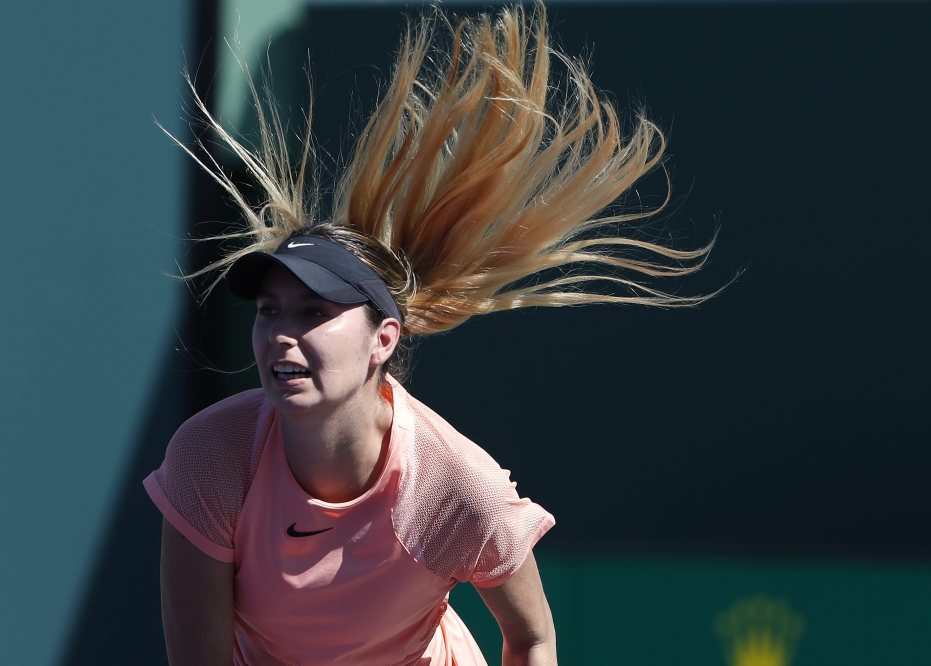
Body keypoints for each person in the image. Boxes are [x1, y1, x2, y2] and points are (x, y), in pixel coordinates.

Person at [145, 5, 713, 665]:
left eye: (313, 313)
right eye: (270, 311)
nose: (280, 336)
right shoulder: (210, 459)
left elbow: (532, 638)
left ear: (382, 340)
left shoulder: (454, 489)